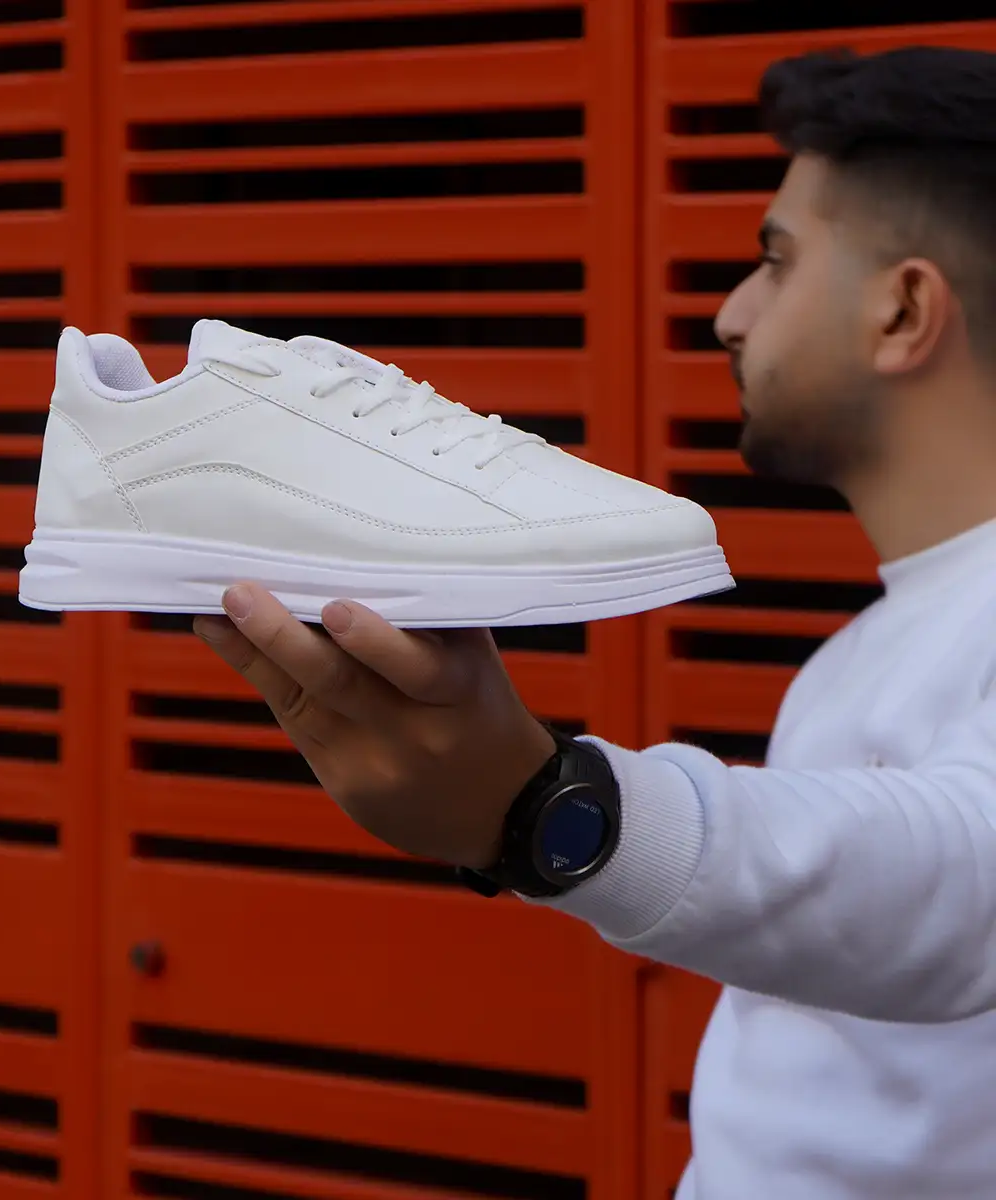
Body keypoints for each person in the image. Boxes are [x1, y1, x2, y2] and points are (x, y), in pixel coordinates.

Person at [191, 46, 996, 1200]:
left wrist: (544, 808)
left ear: (903, 309)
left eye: (776, 261)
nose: (728, 315)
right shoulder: (851, 660)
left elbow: (967, 878)